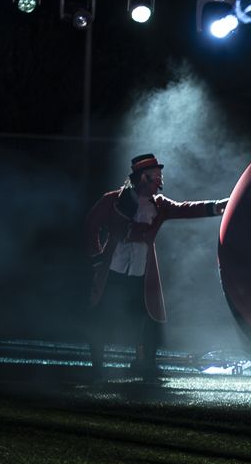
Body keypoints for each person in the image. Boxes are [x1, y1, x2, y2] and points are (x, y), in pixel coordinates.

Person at [84, 153, 230, 385]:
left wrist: (220, 206)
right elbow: (91, 224)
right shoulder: (111, 201)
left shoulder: (159, 205)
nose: (160, 181)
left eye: (159, 177)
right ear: (142, 178)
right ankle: (97, 367)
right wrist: (97, 257)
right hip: (113, 270)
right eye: (155, 177)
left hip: (141, 272)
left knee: (147, 319)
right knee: (102, 317)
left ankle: (145, 364)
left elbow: (185, 208)